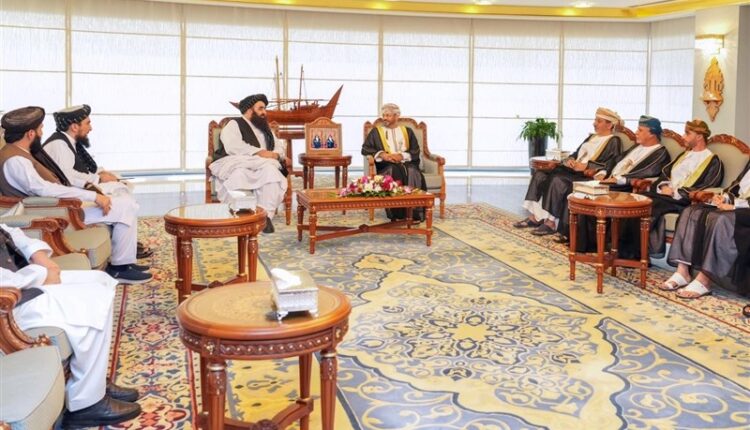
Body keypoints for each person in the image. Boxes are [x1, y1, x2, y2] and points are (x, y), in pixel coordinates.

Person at [1, 223, 141, 427]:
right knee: (91, 301)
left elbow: (9, 230)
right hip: (10, 302)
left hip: (25, 283)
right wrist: (41, 275)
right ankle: (87, 404)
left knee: (101, 280)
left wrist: (46, 263)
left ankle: (95, 383)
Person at [0, 106, 151, 284]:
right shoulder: (16, 160)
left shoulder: (18, 153)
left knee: (124, 203)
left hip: (58, 206)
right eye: (40, 129)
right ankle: (120, 268)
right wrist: (93, 197)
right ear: (30, 134)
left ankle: (125, 263)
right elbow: (45, 190)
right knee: (125, 206)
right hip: (53, 212)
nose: (42, 133)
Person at [43, 104, 152, 259]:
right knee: (127, 204)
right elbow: (69, 177)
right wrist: (98, 179)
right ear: (74, 126)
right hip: (71, 204)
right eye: (88, 123)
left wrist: (101, 174)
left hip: (77, 195)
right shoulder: (59, 145)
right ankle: (123, 261)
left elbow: (80, 168)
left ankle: (128, 245)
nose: (91, 128)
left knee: (122, 191)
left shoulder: (66, 141)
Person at [620, 118, 724, 259]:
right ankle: (624, 251)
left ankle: (636, 254)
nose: (683, 137)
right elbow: (665, 172)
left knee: (649, 206)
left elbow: (707, 185)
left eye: (687, 133)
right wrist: (663, 186)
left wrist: (676, 192)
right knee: (637, 201)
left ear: (699, 137)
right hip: (665, 196)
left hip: (683, 201)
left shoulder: (713, 160)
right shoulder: (684, 155)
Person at [565, 115, 672, 250]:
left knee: (592, 196)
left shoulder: (660, 153)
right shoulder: (637, 147)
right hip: (609, 181)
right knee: (582, 192)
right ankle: (583, 242)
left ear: (652, 133)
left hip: (624, 187)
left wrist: (618, 179)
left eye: (640, 130)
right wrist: (603, 172)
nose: (636, 133)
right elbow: (615, 160)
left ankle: (595, 245)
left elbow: (646, 173)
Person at [515, 107, 623, 236]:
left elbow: (610, 163)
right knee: (540, 174)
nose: (594, 123)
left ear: (609, 125)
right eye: (595, 120)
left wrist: (585, 166)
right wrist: (570, 160)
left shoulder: (614, 141)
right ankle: (535, 217)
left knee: (557, 180)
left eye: (598, 121)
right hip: (572, 171)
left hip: (586, 176)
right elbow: (576, 153)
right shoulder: (592, 137)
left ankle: (551, 222)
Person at [663, 162, 750, 299]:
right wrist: (724, 198)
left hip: (746, 212)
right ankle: (682, 272)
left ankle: (705, 280)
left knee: (720, 219)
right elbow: (736, 188)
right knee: (691, 211)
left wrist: (735, 206)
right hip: (739, 206)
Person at [210, 93, 288, 234]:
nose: (264, 112)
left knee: (272, 174)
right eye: (260, 108)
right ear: (249, 110)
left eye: (264, 108)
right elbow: (233, 146)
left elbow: (279, 147)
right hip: (239, 161)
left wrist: (275, 154)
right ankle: (242, 216)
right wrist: (260, 152)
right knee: (239, 174)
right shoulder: (234, 124)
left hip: (264, 164)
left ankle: (265, 216)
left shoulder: (266, 129)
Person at [362, 103, 427, 221]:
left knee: (413, 172)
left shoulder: (407, 131)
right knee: (394, 171)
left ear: (396, 116)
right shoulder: (376, 132)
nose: (384, 118)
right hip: (386, 165)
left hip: (406, 162)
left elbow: (415, 150)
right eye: (383, 115)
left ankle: (415, 212)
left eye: (388, 115)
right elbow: (365, 148)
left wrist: (401, 156)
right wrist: (383, 155)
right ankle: (397, 213)